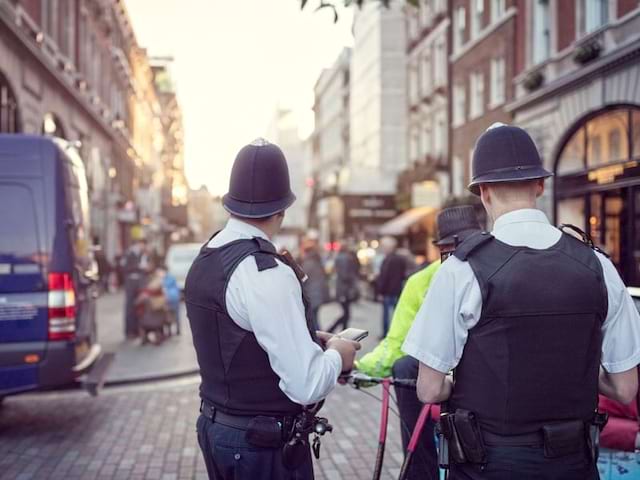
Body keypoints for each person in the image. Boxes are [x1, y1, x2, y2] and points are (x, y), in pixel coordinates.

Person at [403, 124, 640, 479]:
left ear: (483, 192)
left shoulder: (461, 269)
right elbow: (624, 388)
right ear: (540, 186)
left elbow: (429, 388)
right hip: (573, 462)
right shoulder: (598, 266)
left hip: (489, 464)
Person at [185, 138, 361, 480]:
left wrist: (307, 338)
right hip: (259, 445)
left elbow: (238, 336)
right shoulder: (266, 271)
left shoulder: (207, 255)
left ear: (230, 204)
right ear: (282, 209)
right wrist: (339, 353)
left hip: (216, 430)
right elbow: (306, 385)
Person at [357, 204, 481, 480]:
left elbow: (399, 343)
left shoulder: (428, 279)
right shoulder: (500, 268)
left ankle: (419, 472)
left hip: (449, 382)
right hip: (488, 385)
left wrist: (359, 370)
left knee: (406, 367)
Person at [326, 242, 360, 333]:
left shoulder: (339, 258)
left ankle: (341, 330)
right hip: (345, 290)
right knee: (346, 313)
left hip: (342, 289)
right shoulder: (346, 259)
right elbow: (346, 275)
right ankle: (334, 329)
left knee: (346, 313)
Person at [122, 237, 152, 338]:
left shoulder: (143, 254)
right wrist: (139, 267)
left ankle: (137, 330)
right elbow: (125, 268)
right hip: (131, 282)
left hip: (140, 282)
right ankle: (129, 331)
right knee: (129, 307)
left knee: (138, 306)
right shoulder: (130, 253)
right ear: (140, 244)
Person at [376, 236, 407, 337]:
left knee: (387, 316)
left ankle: (386, 334)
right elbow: (403, 274)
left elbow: (384, 277)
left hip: (388, 292)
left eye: (384, 247)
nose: (383, 249)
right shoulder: (400, 259)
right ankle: (395, 333)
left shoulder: (388, 259)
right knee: (396, 315)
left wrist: (380, 292)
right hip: (397, 290)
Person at [300, 239, 330, 331]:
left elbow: (302, 279)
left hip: (312, 296)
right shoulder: (318, 262)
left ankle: (319, 340)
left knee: (313, 321)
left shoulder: (308, 263)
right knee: (314, 319)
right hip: (318, 295)